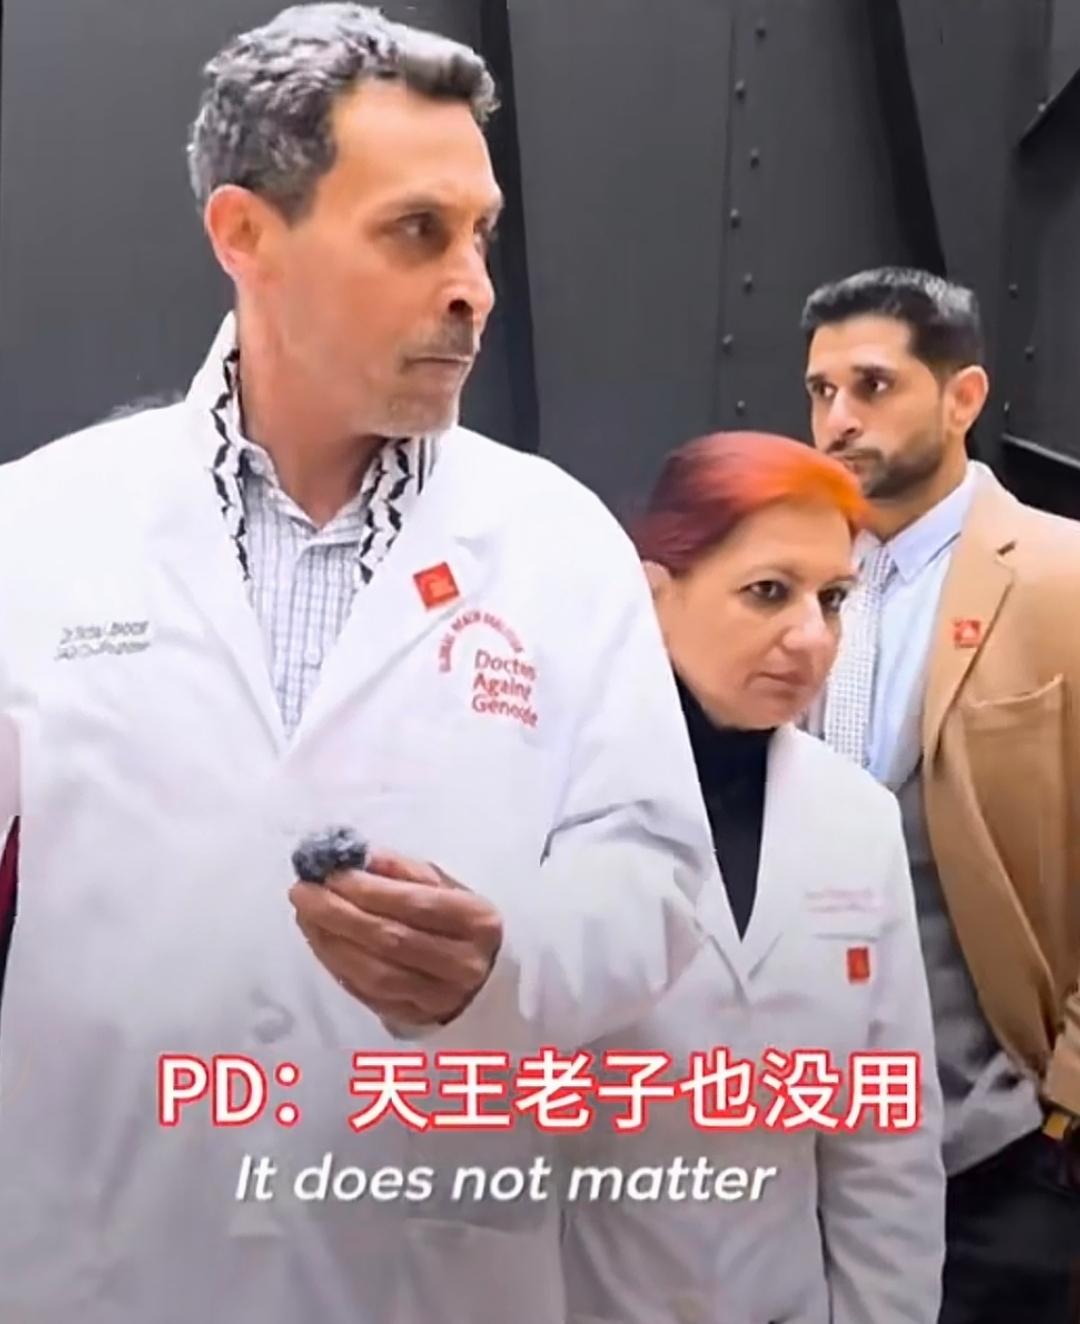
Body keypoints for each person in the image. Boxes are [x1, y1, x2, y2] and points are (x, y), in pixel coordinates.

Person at [0, 8, 723, 1323]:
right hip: (106, 1262)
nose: (474, 286)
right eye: (416, 231)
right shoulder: (39, 529)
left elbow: (658, 875)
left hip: (425, 1272)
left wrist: (509, 959)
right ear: (245, 235)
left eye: (482, 233)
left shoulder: (555, 542)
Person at [560, 432, 946, 1324]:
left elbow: (885, 1148)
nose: (811, 638)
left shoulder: (856, 821)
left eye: (833, 599)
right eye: (768, 592)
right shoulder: (558, 803)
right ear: (654, 595)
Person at [801, 267, 1080, 1322]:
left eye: (872, 386)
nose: (838, 419)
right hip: (801, 1145)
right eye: (821, 391)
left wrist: (1065, 1109)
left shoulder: (1062, 578)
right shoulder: (787, 577)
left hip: (1001, 1148)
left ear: (963, 397)